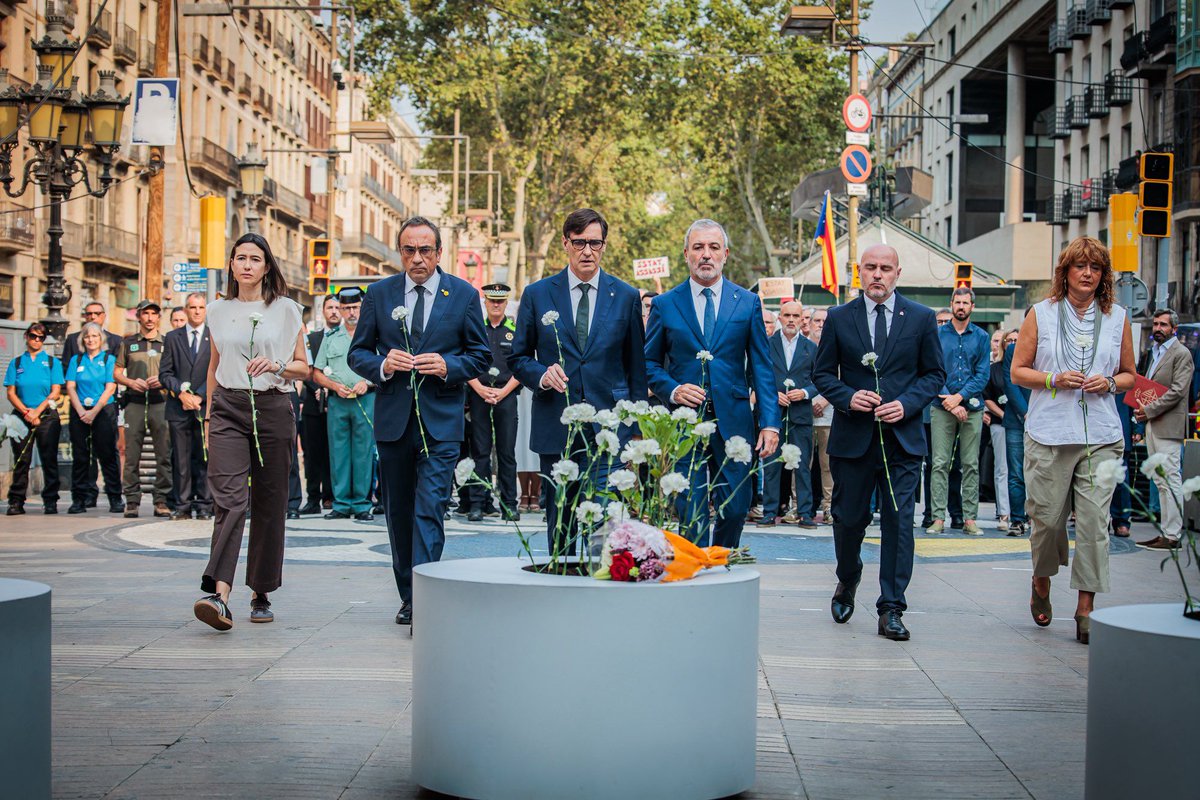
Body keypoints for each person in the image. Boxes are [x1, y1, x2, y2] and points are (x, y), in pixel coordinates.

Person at [348, 216, 490, 629]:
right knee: (399, 512)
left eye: (425, 250)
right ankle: (408, 595)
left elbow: (480, 356)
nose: (417, 258)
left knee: (430, 508)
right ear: (400, 252)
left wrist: (448, 365)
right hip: (394, 421)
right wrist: (382, 364)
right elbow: (358, 354)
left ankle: (425, 601)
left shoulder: (463, 294)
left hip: (441, 422)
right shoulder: (379, 293)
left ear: (439, 253)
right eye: (408, 250)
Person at [813, 244, 944, 641]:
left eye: (885, 268)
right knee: (849, 520)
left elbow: (934, 375)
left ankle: (891, 608)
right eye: (870, 267)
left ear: (897, 273)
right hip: (852, 439)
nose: (878, 275)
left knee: (899, 522)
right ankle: (848, 577)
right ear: (859, 272)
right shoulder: (839, 317)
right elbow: (821, 373)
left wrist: (906, 404)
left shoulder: (921, 318)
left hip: (902, 441)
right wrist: (847, 397)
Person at [1010, 236, 1136, 645]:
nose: (1087, 273)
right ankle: (1041, 579)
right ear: (1064, 273)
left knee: (1095, 525)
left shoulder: (1117, 317)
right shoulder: (1041, 314)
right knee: (1046, 521)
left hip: (1100, 435)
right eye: (1079, 266)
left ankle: (1086, 608)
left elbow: (1131, 375)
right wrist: (1053, 379)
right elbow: (1017, 371)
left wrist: (1111, 382)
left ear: (1104, 277)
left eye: (1095, 268)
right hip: (1049, 433)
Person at [510, 208, 647, 554]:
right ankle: (562, 585)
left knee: (606, 519)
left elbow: (636, 366)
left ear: (604, 245)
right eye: (580, 242)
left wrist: (634, 428)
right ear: (565, 244)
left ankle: (601, 594)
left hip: (609, 426)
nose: (588, 251)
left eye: (595, 243)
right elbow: (518, 357)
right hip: (556, 423)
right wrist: (541, 375)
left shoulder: (626, 296)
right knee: (561, 516)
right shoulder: (537, 294)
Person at [193, 233, 309, 631]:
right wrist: (209, 416)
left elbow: (303, 369)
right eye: (239, 258)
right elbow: (213, 366)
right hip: (227, 406)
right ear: (230, 265)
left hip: (274, 406)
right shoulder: (217, 310)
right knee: (229, 499)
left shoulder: (287, 310)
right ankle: (219, 594)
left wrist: (275, 365)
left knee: (270, 502)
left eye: (254, 259)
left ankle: (261, 591)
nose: (246, 264)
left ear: (266, 266)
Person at [644, 218, 778, 547]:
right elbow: (646, 363)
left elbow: (761, 366)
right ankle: (696, 578)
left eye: (714, 247)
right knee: (690, 511)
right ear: (686, 254)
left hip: (734, 422)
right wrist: (673, 389)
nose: (706, 254)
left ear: (726, 254)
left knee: (735, 508)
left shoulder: (747, 303)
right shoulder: (665, 304)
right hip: (684, 424)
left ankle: (720, 561)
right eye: (699, 247)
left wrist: (770, 424)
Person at [927, 287, 990, 536]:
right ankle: (938, 518)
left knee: (971, 464)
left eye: (965, 303)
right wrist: (949, 402)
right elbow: (932, 369)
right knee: (939, 463)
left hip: (972, 407)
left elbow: (982, 374)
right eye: (957, 302)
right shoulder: (938, 334)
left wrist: (960, 398)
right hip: (941, 406)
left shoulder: (983, 337)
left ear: (972, 307)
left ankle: (969, 519)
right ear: (951, 304)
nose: (961, 306)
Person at [313, 286, 376, 522]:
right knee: (338, 453)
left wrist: (367, 383)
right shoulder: (330, 339)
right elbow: (316, 373)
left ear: (362, 308)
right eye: (346, 308)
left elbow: (383, 368)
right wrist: (333, 386)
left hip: (365, 399)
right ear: (339, 309)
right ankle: (341, 503)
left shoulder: (372, 337)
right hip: (339, 401)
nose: (351, 312)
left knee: (363, 452)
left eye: (355, 307)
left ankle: (361, 503)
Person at [1134, 308, 1194, 550]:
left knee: (1170, 479)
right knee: (1160, 481)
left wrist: (1147, 411)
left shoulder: (1182, 353)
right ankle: (1165, 531)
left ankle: (1173, 535)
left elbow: (1178, 391)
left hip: (1169, 425)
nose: (1158, 328)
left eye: (1163, 325)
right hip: (1152, 424)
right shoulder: (1154, 353)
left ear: (1174, 329)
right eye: (1156, 324)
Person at [465, 283, 522, 522]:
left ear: (506, 303)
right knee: (480, 452)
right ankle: (478, 503)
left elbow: (522, 365)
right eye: (491, 301)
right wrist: (479, 388)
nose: (496, 305)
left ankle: (509, 504)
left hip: (506, 395)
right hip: (479, 394)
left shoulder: (515, 330)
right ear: (485, 302)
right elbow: (465, 361)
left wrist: (502, 392)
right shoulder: (475, 329)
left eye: (500, 301)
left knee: (506, 452)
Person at [61, 302, 124, 510]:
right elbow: (70, 386)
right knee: (80, 455)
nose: (91, 340)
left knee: (107, 454)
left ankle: (115, 496)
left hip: (103, 410)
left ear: (101, 339)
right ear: (82, 339)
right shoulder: (76, 360)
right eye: (87, 336)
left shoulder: (108, 358)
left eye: (95, 336)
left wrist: (94, 411)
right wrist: (81, 412)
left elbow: (110, 387)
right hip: (79, 410)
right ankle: (79, 499)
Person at [760, 301, 817, 529]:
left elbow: (820, 379)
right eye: (787, 315)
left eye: (796, 315)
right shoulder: (766, 344)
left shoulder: (811, 347)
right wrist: (772, 394)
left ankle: (805, 513)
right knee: (771, 465)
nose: (791, 319)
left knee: (802, 466)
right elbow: (755, 375)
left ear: (802, 318)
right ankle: (769, 512)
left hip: (801, 414)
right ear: (780, 318)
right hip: (773, 415)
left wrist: (804, 393)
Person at [114, 300, 172, 518]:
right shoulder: (128, 343)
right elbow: (117, 372)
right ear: (138, 316)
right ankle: (131, 500)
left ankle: (161, 500)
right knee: (131, 454)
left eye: (153, 314)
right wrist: (130, 382)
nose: (149, 318)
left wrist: (163, 379)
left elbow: (175, 373)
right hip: (135, 403)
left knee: (164, 454)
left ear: (159, 318)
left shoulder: (167, 343)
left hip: (160, 402)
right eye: (145, 313)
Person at [159, 292, 213, 521]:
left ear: (206, 310)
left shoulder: (215, 337)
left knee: (204, 457)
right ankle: (182, 505)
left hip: (203, 407)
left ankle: (204, 505)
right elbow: (165, 373)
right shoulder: (173, 337)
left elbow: (218, 371)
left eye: (201, 307)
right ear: (186, 310)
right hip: (178, 406)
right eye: (192, 307)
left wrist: (200, 396)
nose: (197, 311)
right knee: (180, 458)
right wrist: (180, 392)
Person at [4, 323, 64, 515]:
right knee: (21, 460)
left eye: (41, 337)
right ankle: (16, 500)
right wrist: (26, 412)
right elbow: (11, 392)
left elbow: (56, 392)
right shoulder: (17, 363)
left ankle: (50, 500)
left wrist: (37, 412)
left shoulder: (52, 362)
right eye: (33, 336)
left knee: (48, 459)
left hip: (46, 414)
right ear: (26, 337)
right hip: (22, 415)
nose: (36, 340)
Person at [299, 294, 339, 515]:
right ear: (323, 311)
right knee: (312, 453)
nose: (333, 311)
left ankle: (331, 496)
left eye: (336, 307)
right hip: (314, 405)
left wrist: (331, 386)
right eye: (329, 307)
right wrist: (317, 388)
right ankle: (313, 498)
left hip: (338, 401)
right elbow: (305, 368)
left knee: (334, 452)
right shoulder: (312, 339)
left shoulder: (347, 338)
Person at [999, 329, 1030, 537]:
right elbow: (1010, 382)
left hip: (1045, 417)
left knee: (1044, 474)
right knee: (1016, 473)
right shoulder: (1013, 349)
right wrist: (1026, 413)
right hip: (1017, 419)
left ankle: (1040, 519)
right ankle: (1018, 520)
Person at [983, 329, 1010, 526]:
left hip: (1024, 425)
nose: (1012, 344)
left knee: (1024, 470)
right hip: (999, 422)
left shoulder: (1028, 367)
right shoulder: (994, 369)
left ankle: (1023, 511)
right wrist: (1002, 415)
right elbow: (988, 396)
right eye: (1008, 341)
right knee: (1002, 468)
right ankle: (1004, 512)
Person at [809, 309, 834, 523]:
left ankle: (829, 506)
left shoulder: (837, 343)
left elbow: (843, 376)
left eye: (824, 321)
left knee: (827, 464)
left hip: (829, 414)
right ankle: (802, 507)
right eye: (816, 320)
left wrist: (825, 400)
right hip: (804, 413)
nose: (820, 325)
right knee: (802, 464)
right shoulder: (803, 347)